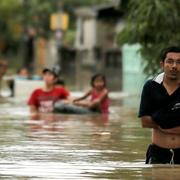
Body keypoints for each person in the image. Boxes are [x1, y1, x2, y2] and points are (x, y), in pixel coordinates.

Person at [138, 46, 180, 164]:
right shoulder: (151, 86)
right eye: (170, 61)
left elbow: (152, 120)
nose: (174, 66)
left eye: (179, 62)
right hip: (158, 152)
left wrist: (161, 124)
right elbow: (145, 122)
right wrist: (174, 126)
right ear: (162, 64)